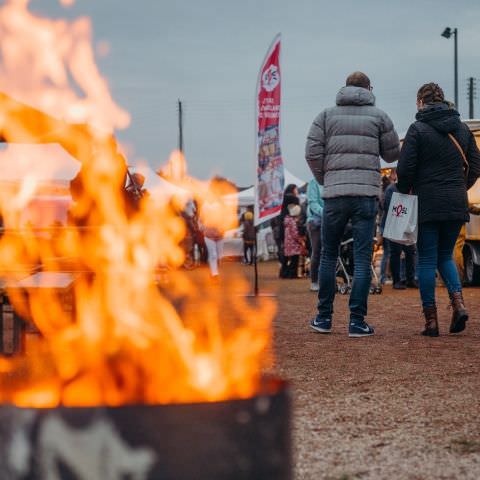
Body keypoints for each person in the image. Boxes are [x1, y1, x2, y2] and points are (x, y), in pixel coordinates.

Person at [306, 71, 400, 337]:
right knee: (361, 259)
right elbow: (392, 153)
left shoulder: (324, 116)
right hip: (365, 196)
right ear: (369, 88)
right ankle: (357, 322)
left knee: (327, 255)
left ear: (344, 88)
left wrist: (326, 179)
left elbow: (311, 152)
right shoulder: (379, 116)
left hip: (334, 196)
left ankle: (324, 318)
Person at [397, 82, 480, 336]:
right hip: (456, 202)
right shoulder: (463, 129)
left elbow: (404, 170)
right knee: (445, 255)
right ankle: (459, 304)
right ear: (444, 101)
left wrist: (407, 189)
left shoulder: (417, 129)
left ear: (421, 102)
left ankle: (431, 321)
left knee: (427, 258)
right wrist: (459, 187)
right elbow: (476, 166)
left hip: (427, 203)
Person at [381, 181, 417, 289]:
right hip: (394, 225)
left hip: (406, 226)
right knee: (395, 253)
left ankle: (410, 279)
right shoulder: (391, 189)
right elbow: (387, 206)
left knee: (410, 251)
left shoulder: (411, 188)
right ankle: (396, 281)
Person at [274, 184, 299, 278]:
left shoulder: (282, 199)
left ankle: (283, 272)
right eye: (296, 189)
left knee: (285, 252)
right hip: (291, 232)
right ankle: (292, 273)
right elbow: (296, 211)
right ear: (293, 190)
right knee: (293, 255)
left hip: (283, 229)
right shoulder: (293, 199)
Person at [306, 178, 324, 291]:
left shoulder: (331, 179)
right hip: (316, 221)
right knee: (317, 250)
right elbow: (312, 203)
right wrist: (325, 212)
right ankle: (314, 281)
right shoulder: (313, 182)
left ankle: (325, 280)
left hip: (330, 219)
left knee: (328, 252)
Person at [283, 204, 304, 278]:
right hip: (294, 244)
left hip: (289, 243)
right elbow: (295, 233)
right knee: (295, 260)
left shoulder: (288, 220)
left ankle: (289, 274)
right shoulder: (293, 221)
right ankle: (293, 274)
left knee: (291, 260)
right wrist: (299, 240)